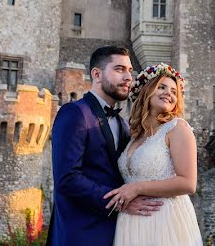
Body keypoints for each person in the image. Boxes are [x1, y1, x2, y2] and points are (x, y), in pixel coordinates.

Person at [48, 46, 162, 245]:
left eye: (130, 70)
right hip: (81, 234)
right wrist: (120, 203)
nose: (128, 77)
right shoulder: (75, 113)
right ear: (97, 74)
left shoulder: (123, 124)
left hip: (119, 233)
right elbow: (68, 179)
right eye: (119, 69)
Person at [106, 63, 203, 245]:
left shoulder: (177, 128)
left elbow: (188, 183)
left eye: (174, 91)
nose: (169, 93)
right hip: (130, 223)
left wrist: (137, 188)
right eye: (162, 87)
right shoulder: (134, 136)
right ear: (146, 91)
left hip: (165, 221)